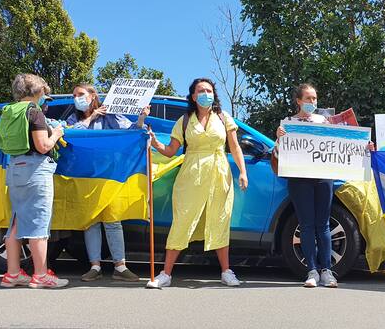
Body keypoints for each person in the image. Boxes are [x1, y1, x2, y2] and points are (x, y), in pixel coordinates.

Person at [146, 78, 248, 288]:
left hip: (219, 174)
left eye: (209, 90)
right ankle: (166, 274)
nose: (205, 94)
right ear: (193, 96)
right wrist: (155, 143)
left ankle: (226, 271)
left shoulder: (223, 117)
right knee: (183, 219)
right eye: (201, 91)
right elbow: (170, 151)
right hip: (191, 175)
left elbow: (235, 147)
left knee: (219, 219)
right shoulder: (184, 121)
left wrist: (243, 172)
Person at [66, 84, 150, 283]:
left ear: (92, 95)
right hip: (85, 176)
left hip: (110, 176)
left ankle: (120, 267)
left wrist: (141, 118)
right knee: (91, 222)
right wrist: (91, 117)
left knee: (113, 220)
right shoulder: (73, 118)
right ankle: (95, 266)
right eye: (74, 95)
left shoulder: (110, 115)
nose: (76, 98)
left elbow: (132, 131)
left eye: (80, 94)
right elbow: (71, 133)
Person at [0, 73, 68, 288]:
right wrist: (55, 133)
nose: (46, 96)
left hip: (15, 168)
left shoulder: (9, 111)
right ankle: (41, 275)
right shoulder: (34, 112)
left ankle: (13, 274)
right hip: (36, 170)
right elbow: (43, 146)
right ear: (37, 91)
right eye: (44, 92)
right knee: (38, 222)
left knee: (16, 223)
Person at [274, 83, 338, 288]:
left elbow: (342, 147)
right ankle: (312, 270)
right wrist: (279, 140)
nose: (312, 102)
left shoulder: (325, 121)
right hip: (299, 179)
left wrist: (365, 146)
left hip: (323, 177)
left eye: (315, 99)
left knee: (324, 224)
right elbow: (278, 156)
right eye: (309, 98)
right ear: (298, 101)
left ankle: (327, 271)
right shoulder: (288, 124)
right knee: (307, 224)